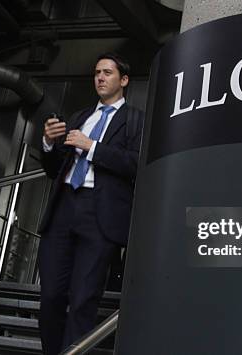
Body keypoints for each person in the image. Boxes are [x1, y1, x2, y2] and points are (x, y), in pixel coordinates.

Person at [37, 52, 144, 354]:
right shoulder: (80, 117)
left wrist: (92, 148)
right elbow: (53, 169)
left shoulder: (136, 120)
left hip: (101, 217)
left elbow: (136, 164)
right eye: (97, 72)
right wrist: (48, 142)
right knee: (51, 297)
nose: (99, 77)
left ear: (123, 80)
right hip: (64, 209)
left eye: (107, 72)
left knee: (84, 299)